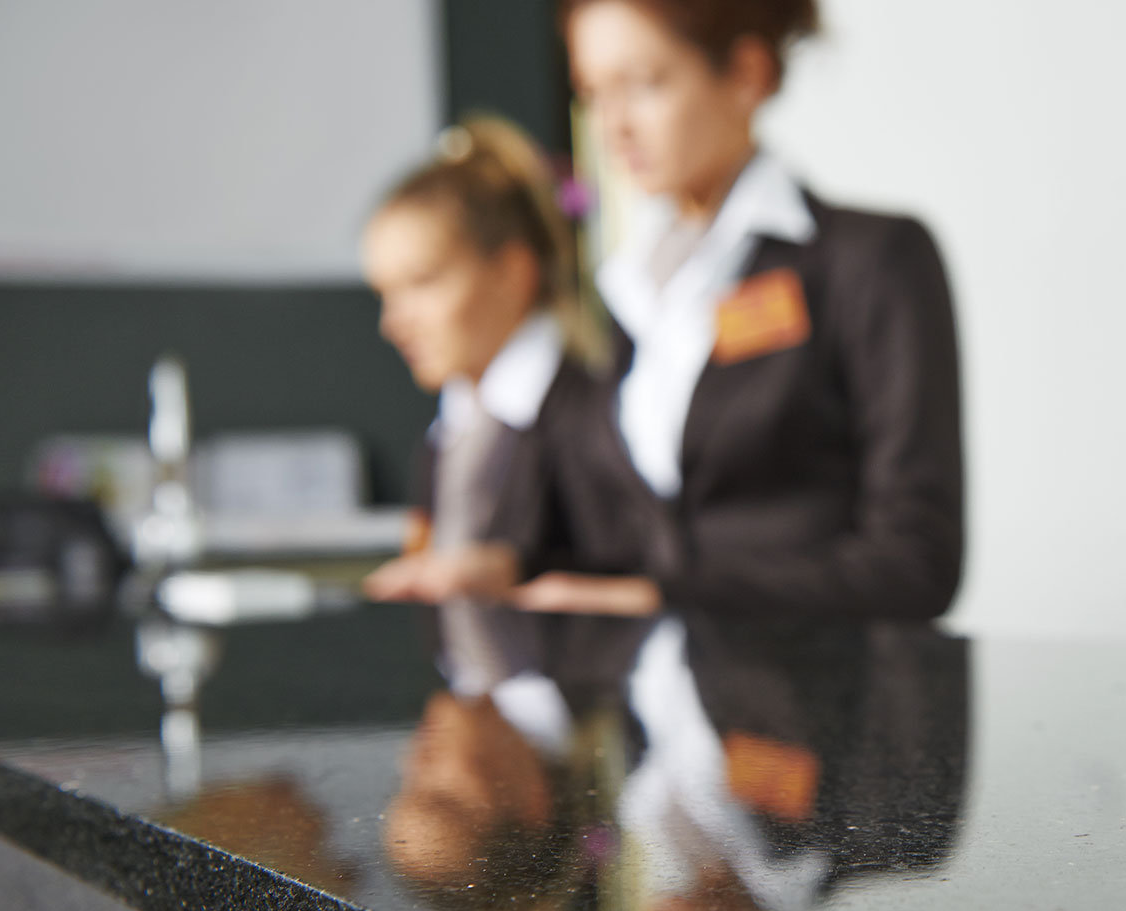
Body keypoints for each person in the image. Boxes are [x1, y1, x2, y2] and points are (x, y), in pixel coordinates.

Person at [441, 0, 965, 620]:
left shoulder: (869, 261)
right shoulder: (625, 295)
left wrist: (665, 598)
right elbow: (641, 547)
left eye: (642, 85)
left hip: (827, 704)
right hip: (660, 708)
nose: (614, 128)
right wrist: (514, 567)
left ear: (746, 74)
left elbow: (914, 565)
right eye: (593, 93)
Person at [358, 116, 609, 603]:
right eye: (385, 294)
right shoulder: (446, 436)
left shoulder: (594, 422)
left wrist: (517, 575)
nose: (393, 323)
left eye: (423, 282)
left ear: (513, 272)